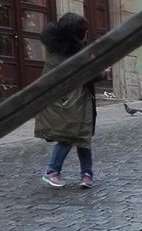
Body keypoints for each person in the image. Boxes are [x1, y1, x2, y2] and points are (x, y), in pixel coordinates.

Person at [35, 13, 98, 189]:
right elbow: (87, 76)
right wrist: (103, 73)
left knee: (82, 136)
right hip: (71, 103)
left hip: (72, 102)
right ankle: (52, 170)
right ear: (79, 34)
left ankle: (87, 174)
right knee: (71, 135)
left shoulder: (56, 49)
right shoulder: (71, 55)